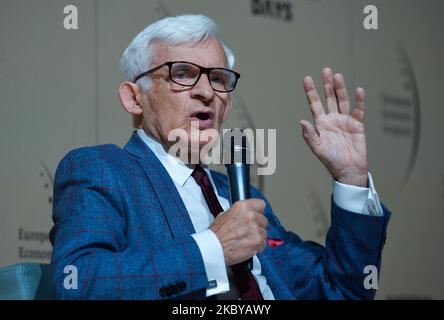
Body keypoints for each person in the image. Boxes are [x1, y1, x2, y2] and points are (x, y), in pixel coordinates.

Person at [50, 14, 391, 300]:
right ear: (134, 98)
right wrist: (213, 249)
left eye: (217, 78)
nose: (206, 92)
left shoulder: (244, 197)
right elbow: (77, 283)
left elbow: (343, 290)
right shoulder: (102, 170)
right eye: (181, 73)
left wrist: (351, 179)